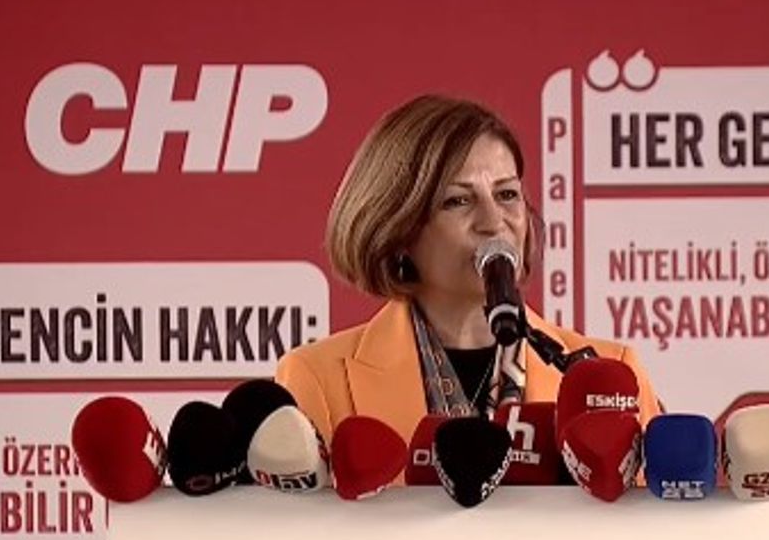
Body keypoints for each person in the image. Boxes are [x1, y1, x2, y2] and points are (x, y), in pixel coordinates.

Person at [274, 94, 661, 477]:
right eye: (458, 201)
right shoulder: (317, 378)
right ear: (396, 227)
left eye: (507, 195)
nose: (493, 222)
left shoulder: (610, 372)